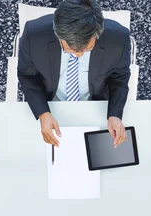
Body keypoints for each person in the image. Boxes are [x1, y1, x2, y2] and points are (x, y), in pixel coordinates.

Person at [17, 0, 130, 148]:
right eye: (70, 49)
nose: (78, 55)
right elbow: (27, 76)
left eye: (86, 49)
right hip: (50, 106)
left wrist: (114, 114)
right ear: (58, 34)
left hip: (96, 109)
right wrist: (42, 113)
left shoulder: (119, 38)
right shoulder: (33, 34)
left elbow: (119, 79)